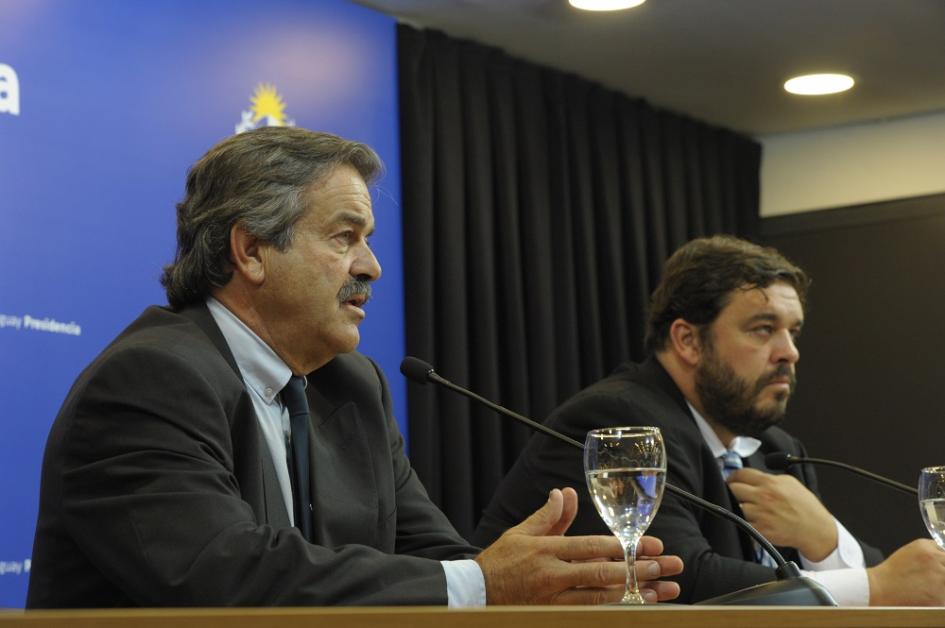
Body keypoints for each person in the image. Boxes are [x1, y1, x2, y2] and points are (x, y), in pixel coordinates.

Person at [26, 127, 684, 608]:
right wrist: (486, 584)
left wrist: (534, 591)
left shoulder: (352, 386)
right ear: (251, 251)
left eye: (367, 240)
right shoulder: (150, 380)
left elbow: (434, 557)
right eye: (344, 238)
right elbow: (225, 577)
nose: (370, 266)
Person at [473, 235, 945, 606]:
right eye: (763, 329)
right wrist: (869, 587)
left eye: (793, 331)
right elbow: (681, 578)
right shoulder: (621, 421)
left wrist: (827, 540)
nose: (789, 352)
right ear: (688, 341)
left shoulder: (775, 449)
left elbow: (900, 586)